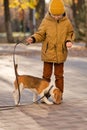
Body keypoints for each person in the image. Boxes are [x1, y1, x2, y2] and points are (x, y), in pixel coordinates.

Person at [26, 0, 75, 101]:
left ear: (63, 12)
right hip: (48, 53)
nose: (56, 17)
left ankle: (59, 95)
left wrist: (68, 41)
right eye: (54, 15)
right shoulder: (46, 21)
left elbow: (70, 33)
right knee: (46, 76)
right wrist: (33, 38)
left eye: (59, 15)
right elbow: (40, 34)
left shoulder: (66, 22)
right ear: (50, 12)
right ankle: (45, 95)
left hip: (61, 53)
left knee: (59, 76)